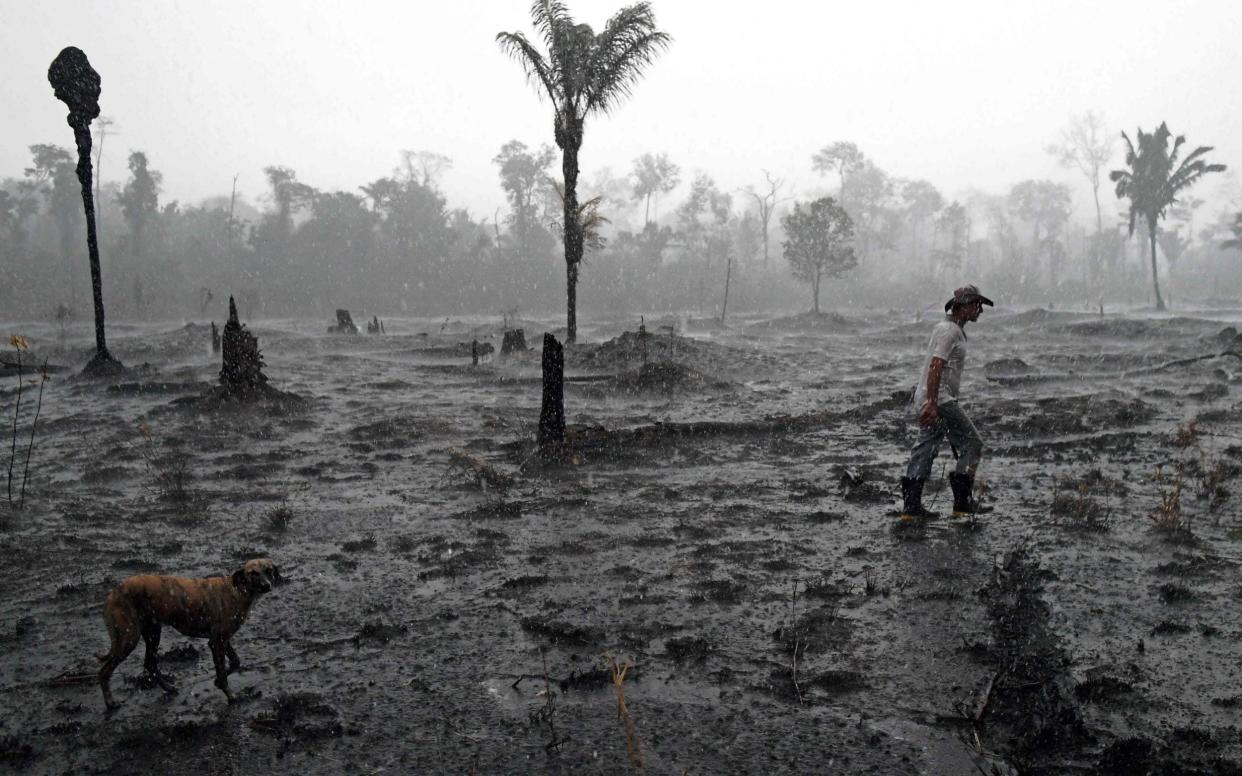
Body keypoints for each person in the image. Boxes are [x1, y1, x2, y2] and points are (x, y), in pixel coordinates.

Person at [900, 285, 993, 520]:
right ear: (961, 307)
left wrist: (929, 400)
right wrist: (932, 402)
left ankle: (911, 508)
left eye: (980, 306)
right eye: (976, 305)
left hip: (933, 397)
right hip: (939, 398)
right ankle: (962, 504)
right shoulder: (949, 331)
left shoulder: (950, 329)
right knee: (973, 443)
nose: (980, 310)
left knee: (927, 445)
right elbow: (935, 366)